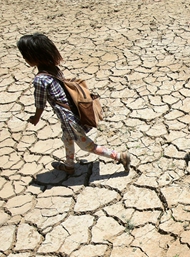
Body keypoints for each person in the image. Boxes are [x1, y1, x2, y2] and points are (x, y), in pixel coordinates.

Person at [18, 33, 130, 174]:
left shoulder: (40, 80)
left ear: (33, 56)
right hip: (72, 112)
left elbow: (40, 103)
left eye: (25, 56)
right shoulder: (53, 69)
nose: (24, 59)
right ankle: (69, 166)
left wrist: (36, 117)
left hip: (68, 119)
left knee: (86, 146)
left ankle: (119, 156)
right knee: (67, 138)